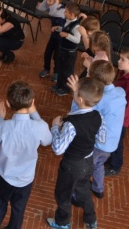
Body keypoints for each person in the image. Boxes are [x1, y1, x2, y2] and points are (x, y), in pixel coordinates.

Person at [0, 81, 52, 229]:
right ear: (32, 101)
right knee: (18, 210)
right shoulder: (40, 127)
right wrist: (35, 113)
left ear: (8, 103)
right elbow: (47, 141)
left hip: (2, 176)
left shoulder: (3, 127)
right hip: (25, 179)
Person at [46, 77, 105, 229]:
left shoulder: (71, 124)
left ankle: (62, 222)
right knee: (83, 189)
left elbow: (58, 149)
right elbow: (101, 138)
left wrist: (54, 127)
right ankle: (90, 219)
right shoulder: (98, 115)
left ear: (79, 98)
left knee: (63, 194)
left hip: (72, 166)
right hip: (88, 161)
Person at [70, 60, 126, 199]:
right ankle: (98, 188)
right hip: (112, 144)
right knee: (99, 165)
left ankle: (77, 195)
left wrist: (77, 92)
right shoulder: (120, 92)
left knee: (85, 170)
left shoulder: (100, 100)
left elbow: (78, 112)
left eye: (88, 73)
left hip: (98, 144)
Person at [105, 48, 129, 176]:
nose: (118, 61)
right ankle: (110, 158)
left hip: (120, 119)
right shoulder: (122, 74)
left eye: (123, 59)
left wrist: (119, 118)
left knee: (118, 142)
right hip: (116, 114)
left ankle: (115, 166)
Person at [51, 2, 81, 96]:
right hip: (62, 49)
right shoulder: (67, 20)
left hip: (70, 53)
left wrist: (67, 35)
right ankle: (59, 85)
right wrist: (58, 28)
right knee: (60, 68)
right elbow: (65, 29)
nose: (64, 13)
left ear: (72, 14)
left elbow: (77, 40)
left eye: (66, 12)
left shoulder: (76, 26)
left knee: (67, 71)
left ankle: (66, 89)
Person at [39, 0, 65, 82]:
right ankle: (46, 69)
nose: (48, 3)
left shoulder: (61, 10)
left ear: (57, 1)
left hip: (61, 38)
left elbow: (52, 13)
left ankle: (57, 72)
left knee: (57, 56)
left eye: (50, 1)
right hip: (53, 35)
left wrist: (56, 1)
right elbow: (41, 9)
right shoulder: (53, 7)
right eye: (47, 1)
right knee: (47, 53)